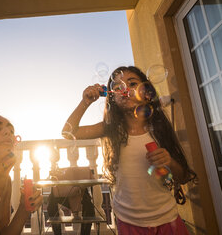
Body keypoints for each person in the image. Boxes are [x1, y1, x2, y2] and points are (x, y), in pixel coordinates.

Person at [62, 66, 197, 235]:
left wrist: (169, 161)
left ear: (147, 93)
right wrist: (85, 102)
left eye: (132, 83)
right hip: (129, 223)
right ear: (112, 98)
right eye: (117, 88)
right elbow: (68, 132)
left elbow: (183, 177)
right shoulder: (110, 129)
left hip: (168, 220)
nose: (124, 90)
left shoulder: (159, 129)